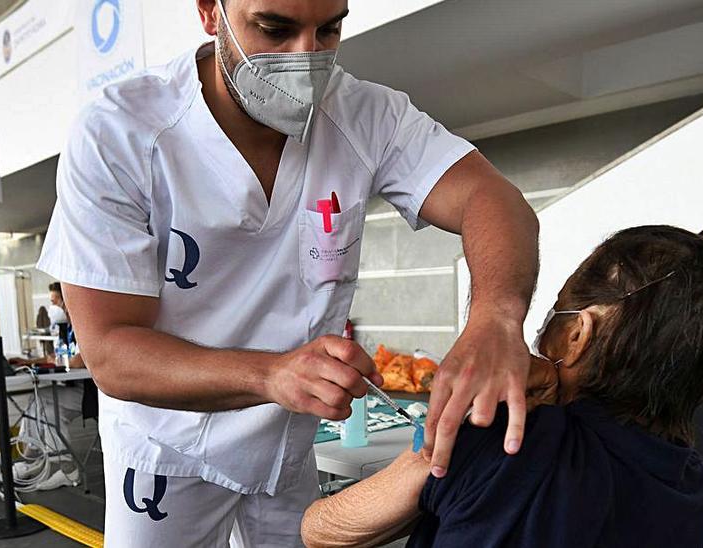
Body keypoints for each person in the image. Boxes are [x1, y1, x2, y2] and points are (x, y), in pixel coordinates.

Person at [36, 1, 540, 543]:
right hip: (166, 448)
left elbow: (491, 198)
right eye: (274, 28)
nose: (307, 58)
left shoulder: (364, 114)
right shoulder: (121, 130)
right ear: (211, 12)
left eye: (329, 29)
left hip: (287, 447)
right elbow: (111, 352)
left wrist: (496, 318)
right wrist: (272, 374)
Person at [301, 226, 703, 547]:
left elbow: (322, 530)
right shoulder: (691, 484)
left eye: (557, 309)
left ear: (576, 335)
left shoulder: (510, 441)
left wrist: (436, 444)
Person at [11, 282, 91, 491]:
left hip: (89, 393)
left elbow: (79, 360)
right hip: (72, 388)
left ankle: (33, 459)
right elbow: (56, 357)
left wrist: (57, 361)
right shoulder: (65, 327)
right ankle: (64, 467)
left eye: (54, 301)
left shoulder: (85, 325)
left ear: (68, 302)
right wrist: (28, 362)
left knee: (43, 402)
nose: (51, 306)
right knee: (46, 409)